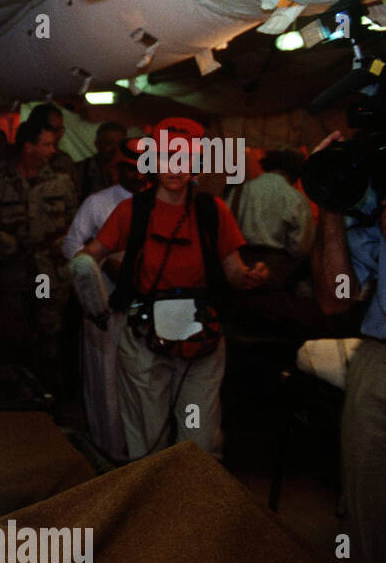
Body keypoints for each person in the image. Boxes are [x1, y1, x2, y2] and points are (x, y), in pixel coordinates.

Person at [75, 121, 269, 459]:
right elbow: (87, 259)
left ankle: (192, 508)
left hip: (201, 339)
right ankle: (153, 507)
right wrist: (90, 290)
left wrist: (251, 276)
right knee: (148, 443)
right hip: (143, 339)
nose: (175, 168)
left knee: (200, 441)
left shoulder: (213, 212)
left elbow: (235, 273)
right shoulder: (130, 211)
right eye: (167, 158)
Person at [312, 130, 386, 563]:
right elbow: (334, 299)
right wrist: (331, 208)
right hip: (381, 362)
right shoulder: (378, 194)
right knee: (370, 520)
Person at [64, 138, 147, 461]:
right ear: (117, 169)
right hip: (105, 306)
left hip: (145, 307)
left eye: (145, 169)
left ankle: (143, 450)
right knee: (105, 379)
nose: (138, 176)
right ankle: (109, 450)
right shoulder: (98, 202)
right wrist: (101, 264)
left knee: (142, 380)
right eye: (131, 169)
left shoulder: (159, 203)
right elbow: (71, 244)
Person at [0, 117, 78, 384]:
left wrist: (64, 240)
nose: (52, 150)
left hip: (48, 273)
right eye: (46, 144)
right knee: (15, 333)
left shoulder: (62, 182)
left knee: (50, 331)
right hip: (14, 273)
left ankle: (50, 393)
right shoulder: (0, 183)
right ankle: (17, 392)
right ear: (28, 146)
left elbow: (75, 220)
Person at [232, 145, 316, 288]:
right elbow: (302, 247)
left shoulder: (239, 191)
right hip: (278, 274)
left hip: (240, 267)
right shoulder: (294, 197)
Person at [76, 121, 127, 199]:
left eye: (119, 144)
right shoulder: (80, 170)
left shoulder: (129, 172)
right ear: (97, 144)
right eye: (109, 143)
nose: (115, 149)